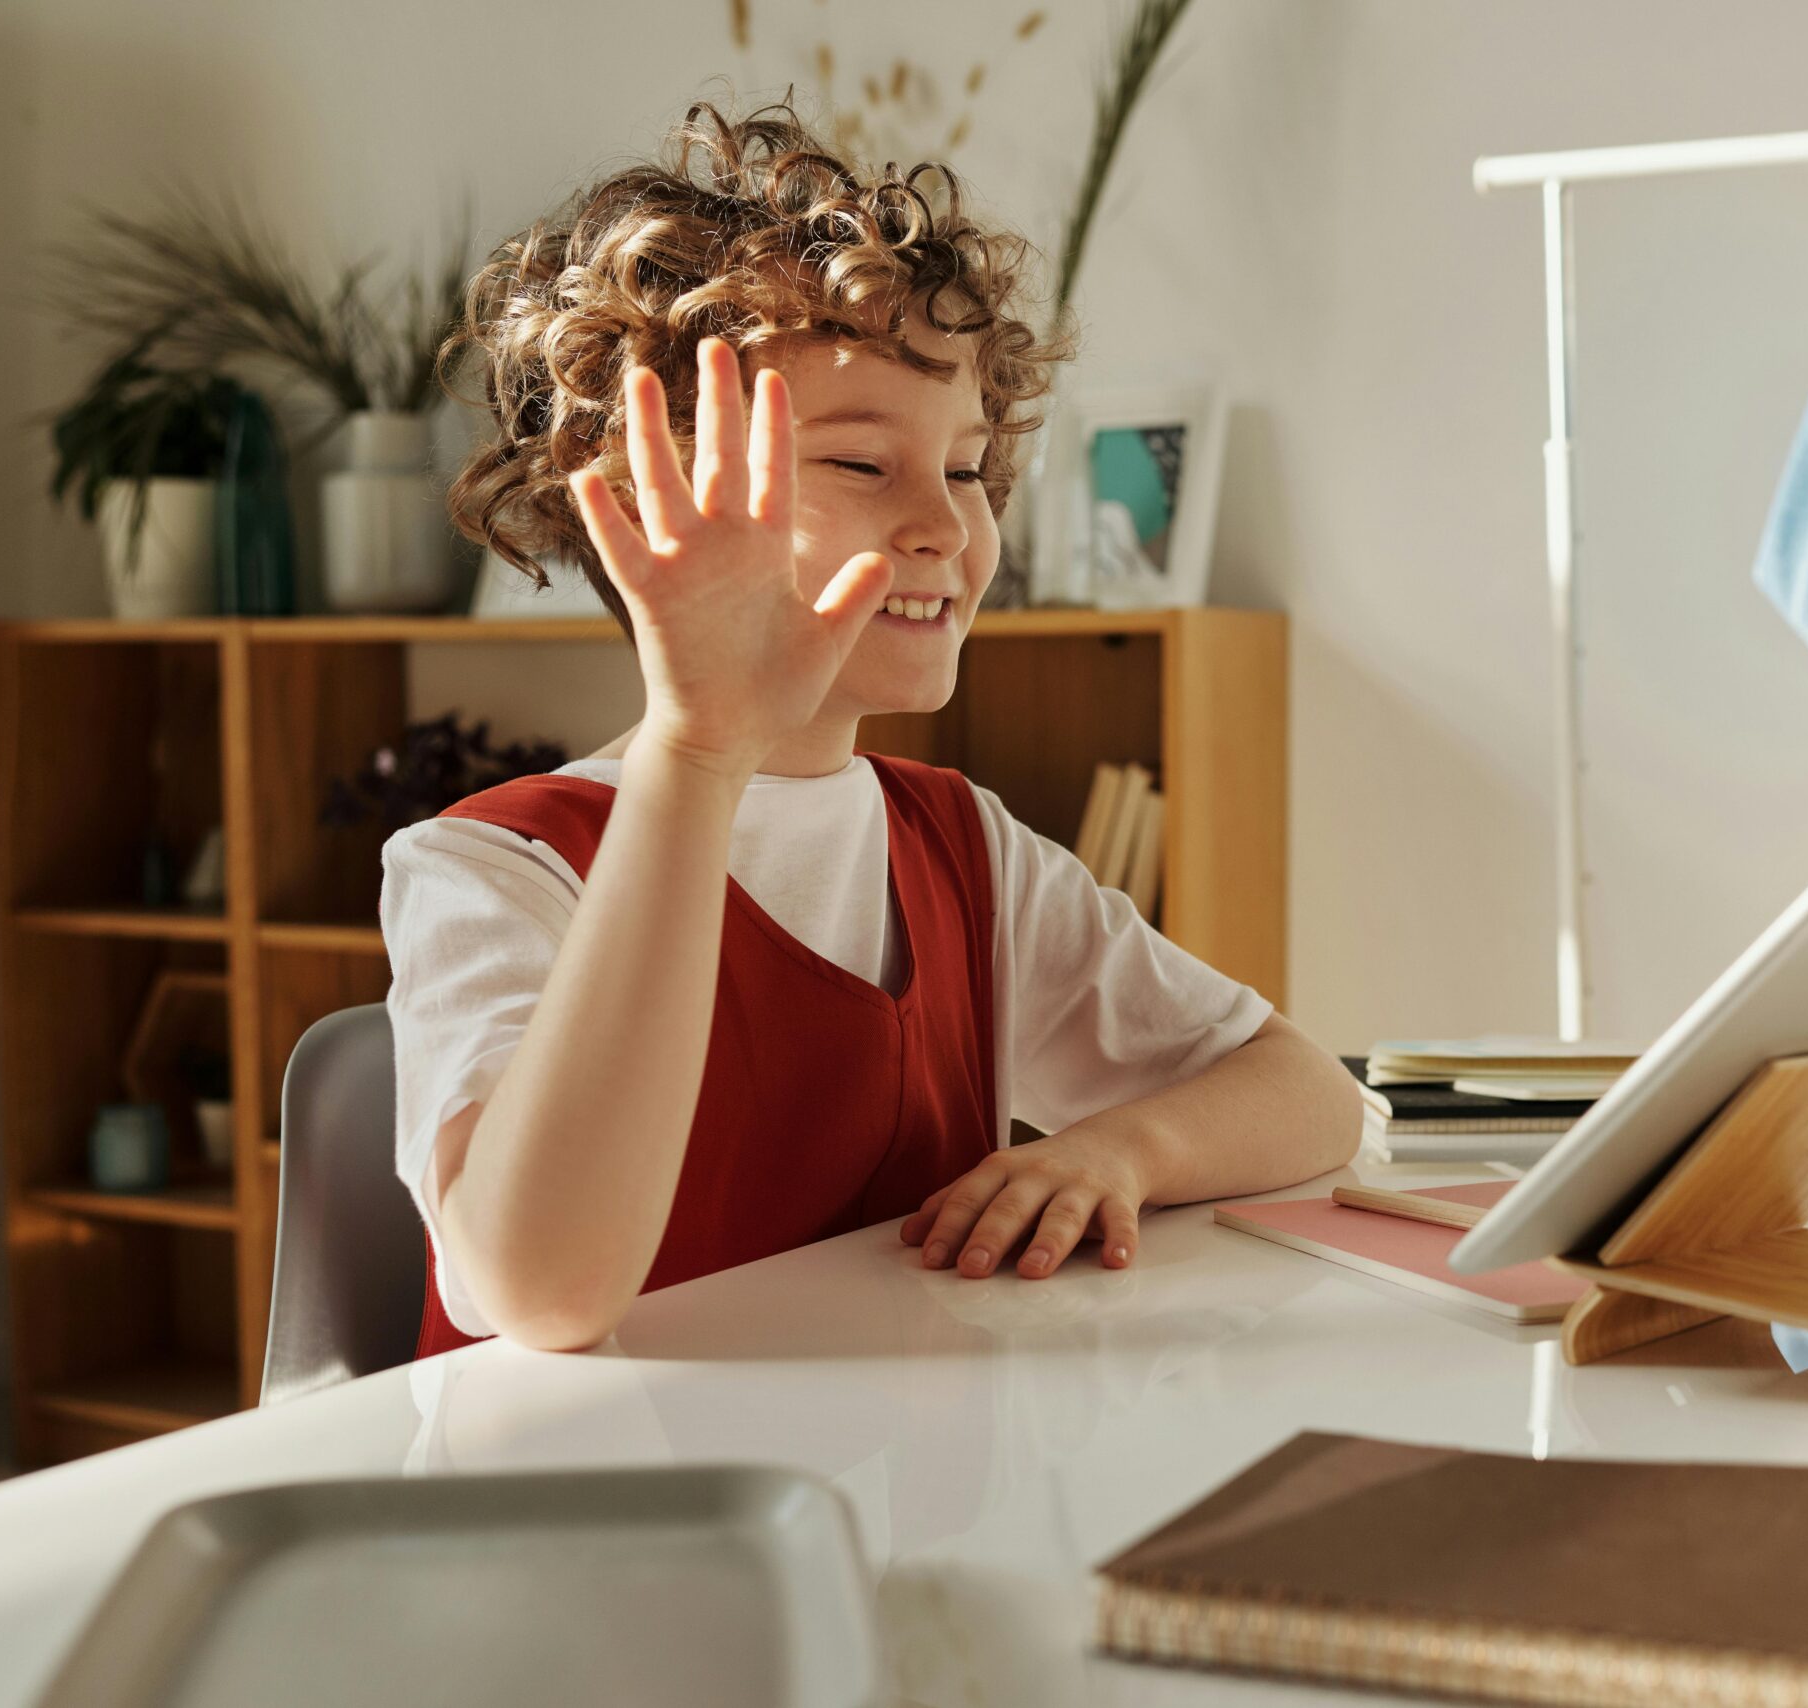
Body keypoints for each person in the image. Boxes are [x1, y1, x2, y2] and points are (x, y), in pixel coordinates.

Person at [383, 100, 1361, 1356]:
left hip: (884, 1506)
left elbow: (1309, 1096)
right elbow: (547, 1289)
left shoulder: (962, 848)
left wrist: (1122, 1146)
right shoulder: (486, 872)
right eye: (860, 466)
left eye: (964, 469)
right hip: (586, 1524)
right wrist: (698, 747)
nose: (948, 530)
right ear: (644, 507)